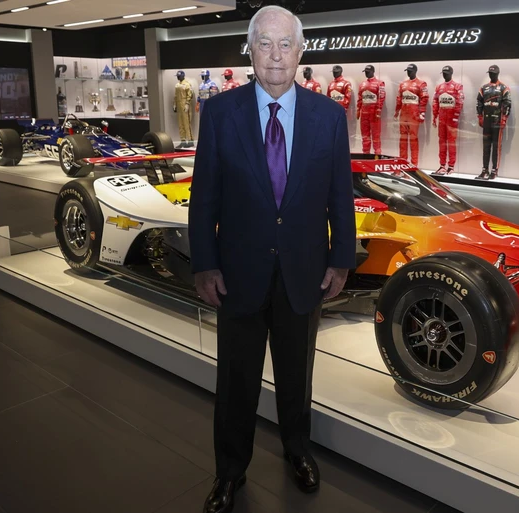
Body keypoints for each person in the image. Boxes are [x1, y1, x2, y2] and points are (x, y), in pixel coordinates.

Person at [188, 6, 356, 513]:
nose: (276, 55)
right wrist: (204, 264)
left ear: (301, 52)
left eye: (286, 44)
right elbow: (204, 197)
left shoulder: (329, 116)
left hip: (305, 272)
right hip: (238, 274)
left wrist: (341, 260)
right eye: (265, 43)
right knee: (235, 381)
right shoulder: (221, 113)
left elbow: (340, 197)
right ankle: (229, 472)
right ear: (251, 50)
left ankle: (298, 450)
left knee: (296, 376)